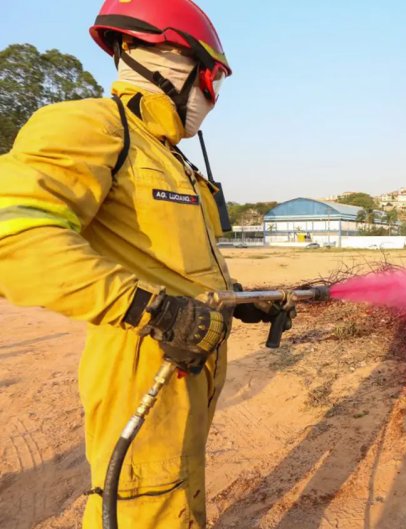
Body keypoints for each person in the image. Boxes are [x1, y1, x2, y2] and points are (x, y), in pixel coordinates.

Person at [0, 1, 288, 527]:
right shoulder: (90, 126)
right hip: (142, 355)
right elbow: (15, 234)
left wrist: (241, 299)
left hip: (190, 352)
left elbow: (173, 265)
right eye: (209, 77)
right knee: (144, 502)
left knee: (177, 491)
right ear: (164, 61)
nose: (211, 97)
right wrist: (153, 312)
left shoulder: (166, 156)